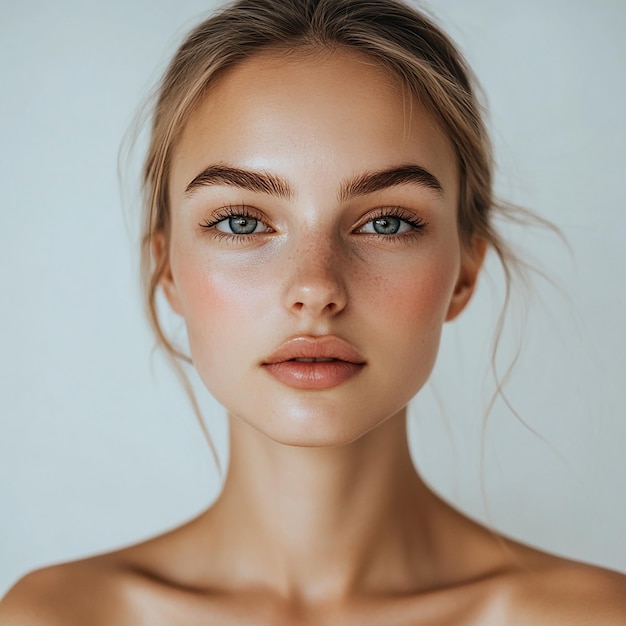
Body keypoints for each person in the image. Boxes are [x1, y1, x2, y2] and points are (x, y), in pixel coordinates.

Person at [1, 0, 625, 622]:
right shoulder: (55, 616)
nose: (316, 287)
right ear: (167, 269)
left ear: (464, 270)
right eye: (241, 221)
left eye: (387, 222)